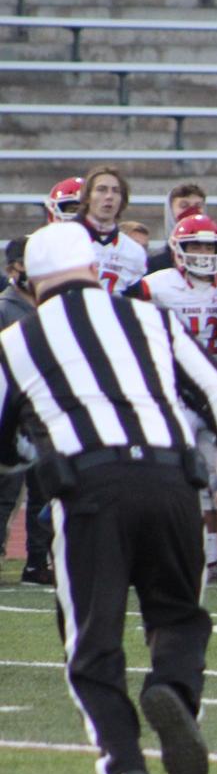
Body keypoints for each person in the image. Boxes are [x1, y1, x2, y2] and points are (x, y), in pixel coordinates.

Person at [0, 220, 217, 774]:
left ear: (32, 282)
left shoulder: (18, 339)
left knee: (91, 637)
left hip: (90, 486)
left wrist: (31, 449)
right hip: (171, 479)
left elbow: (2, 440)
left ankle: (121, 761)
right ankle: (172, 688)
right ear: (94, 270)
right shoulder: (149, 318)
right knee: (179, 615)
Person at [135, 214, 217, 582]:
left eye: (209, 246)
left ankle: (211, 558)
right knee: (169, 477)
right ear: (178, 249)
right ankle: (163, 553)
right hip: (172, 392)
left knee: (212, 477)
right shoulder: (154, 285)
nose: (202, 252)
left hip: (212, 392)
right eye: (195, 245)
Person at [0, 235, 54, 585]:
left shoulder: (49, 305)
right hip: (11, 411)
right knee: (6, 490)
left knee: (42, 491)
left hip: (44, 409)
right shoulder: (5, 308)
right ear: (12, 268)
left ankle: (37, 562)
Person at [75, 165, 147, 295]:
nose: (109, 196)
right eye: (101, 189)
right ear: (87, 197)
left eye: (116, 191)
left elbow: (135, 303)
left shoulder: (134, 251)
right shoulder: (64, 240)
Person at [146, 183, 208, 274]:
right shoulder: (156, 263)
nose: (192, 211)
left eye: (198, 206)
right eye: (184, 206)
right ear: (170, 211)